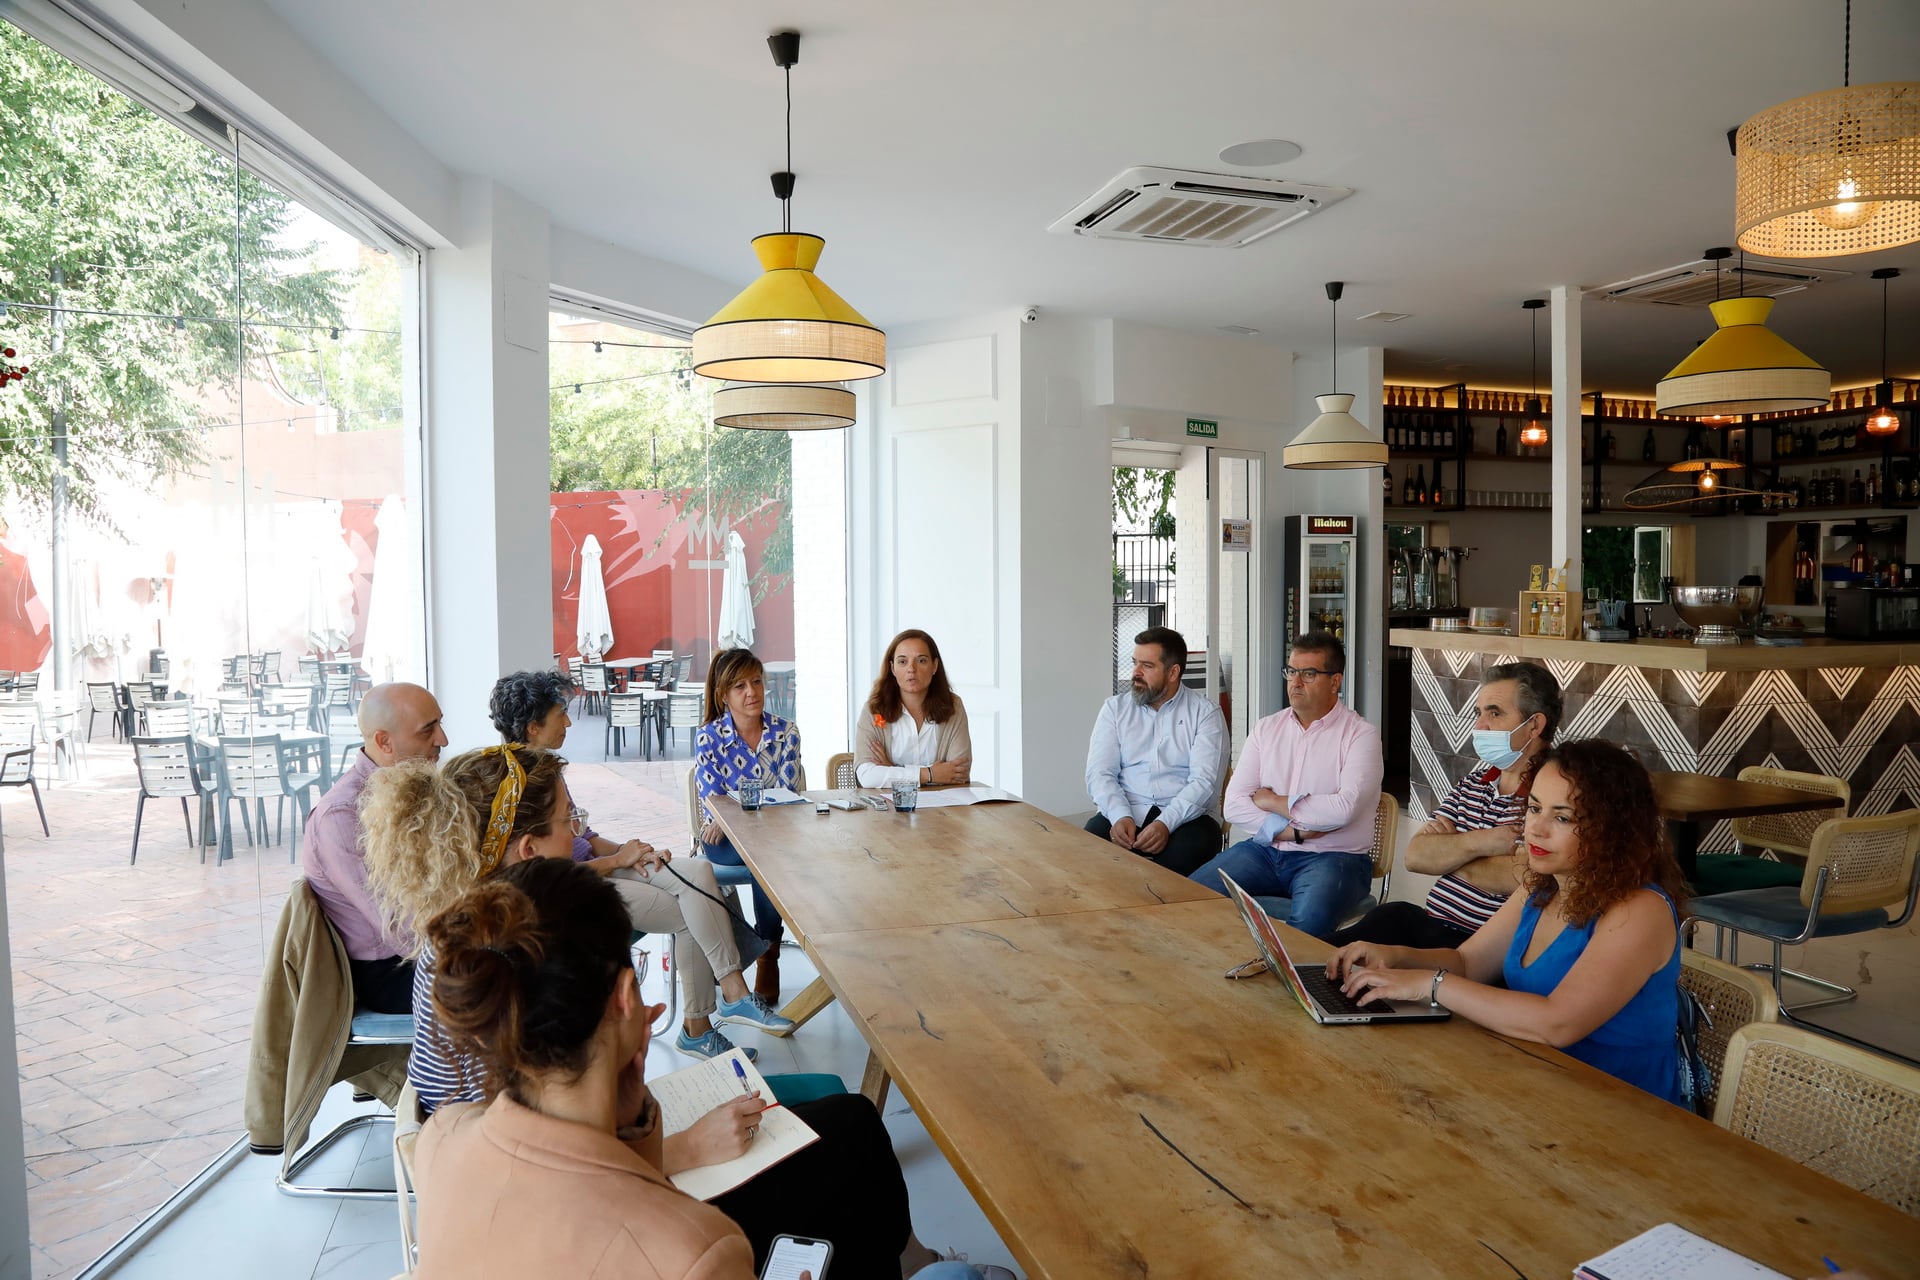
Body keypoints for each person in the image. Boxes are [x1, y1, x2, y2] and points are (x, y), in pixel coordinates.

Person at [400, 770, 990, 1278]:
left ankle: (910, 1260)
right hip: (640, 1192)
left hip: (585, 1159)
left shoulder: (442, 1136)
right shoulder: (692, 1249)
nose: (579, 832)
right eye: (568, 820)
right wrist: (682, 1145)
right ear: (630, 999)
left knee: (849, 1127)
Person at [366, 746, 788, 1074]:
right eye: (570, 821)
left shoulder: (455, 941)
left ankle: (719, 1005)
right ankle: (726, 1001)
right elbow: (578, 1119)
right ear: (530, 852)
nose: (577, 835)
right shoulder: (533, 967)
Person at [1331, 740, 1689, 1105]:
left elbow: (1557, 1024)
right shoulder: (1542, 885)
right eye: (1534, 808)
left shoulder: (1639, 909)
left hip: (1625, 1113)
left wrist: (1430, 984)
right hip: (1537, 1084)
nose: (1536, 829)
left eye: (1562, 817)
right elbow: (1469, 963)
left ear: (1613, 830)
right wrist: (1393, 957)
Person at [487, 672, 793, 1054]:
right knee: (688, 910)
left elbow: (586, 838)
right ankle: (701, 1025)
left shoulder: (545, 771)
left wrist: (636, 851)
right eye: (560, 714)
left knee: (698, 872)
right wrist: (618, 860)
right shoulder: (517, 787)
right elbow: (549, 875)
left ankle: (731, 992)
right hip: (575, 891)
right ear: (534, 727)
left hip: (603, 868)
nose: (568, 721)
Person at [1331, 661, 1561, 950]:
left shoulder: (1553, 796)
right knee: (1349, 939)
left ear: (1535, 725)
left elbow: (1524, 876)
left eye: (1495, 713)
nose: (1480, 726)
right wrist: (1481, 843)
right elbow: (1415, 856)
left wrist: (1451, 854)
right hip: (1430, 923)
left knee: (1351, 954)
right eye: (1479, 713)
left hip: (1479, 947)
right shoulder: (1475, 782)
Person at [1187, 632, 1383, 940]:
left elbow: (1343, 809)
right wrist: (1293, 832)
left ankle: (1298, 988)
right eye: (1291, 671)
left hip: (1335, 856)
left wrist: (1274, 801)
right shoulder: (1267, 728)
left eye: (1308, 674)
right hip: (1266, 851)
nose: (1295, 682)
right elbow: (1234, 804)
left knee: (1307, 925)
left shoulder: (1361, 736)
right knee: (1189, 897)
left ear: (1335, 682)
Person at [299, 681, 447, 1013]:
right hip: (391, 971)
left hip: (428, 948)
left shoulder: (417, 787)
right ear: (384, 741)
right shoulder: (343, 815)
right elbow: (401, 929)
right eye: (428, 731)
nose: (443, 740)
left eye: (440, 724)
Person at [694, 649, 801, 1000]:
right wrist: (732, 815)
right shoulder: (709, 738)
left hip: (771, 833)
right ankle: (767, 950)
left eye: (756, 682)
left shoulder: (786, 733)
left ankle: (768, 954)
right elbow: (713, 797)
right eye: (739, 686)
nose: (751, 692)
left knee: (764, 852)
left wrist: (734, 810)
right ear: (724, 694)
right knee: (763, 853)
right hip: (722, 839)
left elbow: (786, 794)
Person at [1082, 626, 1227, 875]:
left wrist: (1165, 824)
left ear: (1173, 672)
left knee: (1169, 876)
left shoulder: (1205, 714)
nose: (1135, 673)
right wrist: (1118, 815)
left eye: (1147, 666)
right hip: (1126, 810)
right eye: (1135, 663)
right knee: (1085, 859)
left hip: (1187, 818)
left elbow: (1205, 783)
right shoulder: (1114, 710)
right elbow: (1100, 773)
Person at [855, 629, 971, 790]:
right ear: (893, 668)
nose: (911, 669)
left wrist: (891, 770)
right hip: (888, 811)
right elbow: (867, 776)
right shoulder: (874, 709)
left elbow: (959, 774)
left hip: (944, 811)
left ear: (934, 666)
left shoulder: (953, 706)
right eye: (902, 661)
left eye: (921, 661)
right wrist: (928, 774)